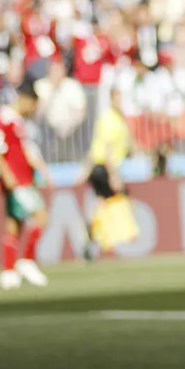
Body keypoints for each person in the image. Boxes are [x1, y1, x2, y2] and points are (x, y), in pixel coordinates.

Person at [0, 82, 51, 290]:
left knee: (14, 223)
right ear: (25, 99)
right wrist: (6, 174)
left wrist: (39, 168)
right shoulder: (6, 117)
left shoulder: (16, 121)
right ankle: (27, 261)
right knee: (41, 215)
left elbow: (22, 150)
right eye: (33, 105)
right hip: (17, 180)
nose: (34, 110)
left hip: (21, 178)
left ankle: (8, 271)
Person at [80, 87, 136, 261]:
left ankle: (94, 237)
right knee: (112, 201)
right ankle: (101, 236)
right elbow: (106, 150)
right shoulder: (109, 120)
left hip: (101, 167)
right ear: (112, 99)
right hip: (103, 167)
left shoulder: (118, 119)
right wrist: (113, 175)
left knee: (102, 203)